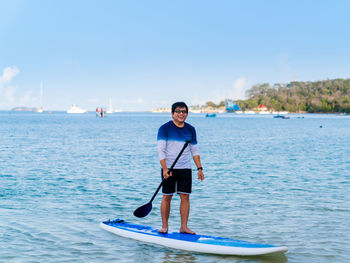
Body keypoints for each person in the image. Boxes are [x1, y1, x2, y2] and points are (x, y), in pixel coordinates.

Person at [157, 102, 204, 234]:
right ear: (172, 114)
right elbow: (161, 150)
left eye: (184, 111)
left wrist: (199, 168)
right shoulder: (164, 128)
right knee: (167, 196)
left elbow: (195, 151)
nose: (181, 114)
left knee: (185, 196)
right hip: (169, 168)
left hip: (185, 168)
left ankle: (184, 227)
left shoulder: (191, 129)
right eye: (178, 111)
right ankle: (164, 226)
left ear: (187, 114)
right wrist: (165, 168)